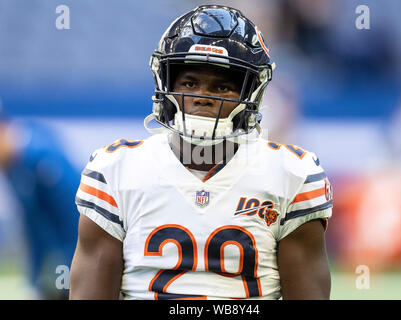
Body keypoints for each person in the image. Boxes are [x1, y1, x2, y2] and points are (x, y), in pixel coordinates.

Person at [69, 5, 333, 300]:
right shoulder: (115, 170)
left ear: (251, 95)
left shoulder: (292, 175)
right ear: (166, 85)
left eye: (222, 87)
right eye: (190, 83)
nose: (203, 98)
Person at [0, 115, 79, 299]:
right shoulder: (14, 165)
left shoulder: (42, 157)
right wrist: (35, 278)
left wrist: (67, 272)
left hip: (74, 262)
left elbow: (75, 219)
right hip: (55, 264)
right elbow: (33, 226)